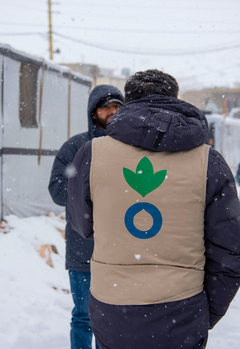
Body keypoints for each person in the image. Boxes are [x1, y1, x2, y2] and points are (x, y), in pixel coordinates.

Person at [67, 69, 240, 349]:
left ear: (128, 102)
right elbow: (230, 250)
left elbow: (82, 224)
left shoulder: (92, 154)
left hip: (112, 307)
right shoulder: (208, 161)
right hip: (182, 308)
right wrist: (204, 313)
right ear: (174, 99)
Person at [48, 84, 123, 349]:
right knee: (83, 317)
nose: (113, 111)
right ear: (94, 113)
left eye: (117, 106)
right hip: (83, 250)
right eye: (107, 107)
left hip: (122, 252)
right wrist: (91, 185)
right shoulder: (76, 147)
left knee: (117, 318)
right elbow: (57, 190)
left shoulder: (131, 147)